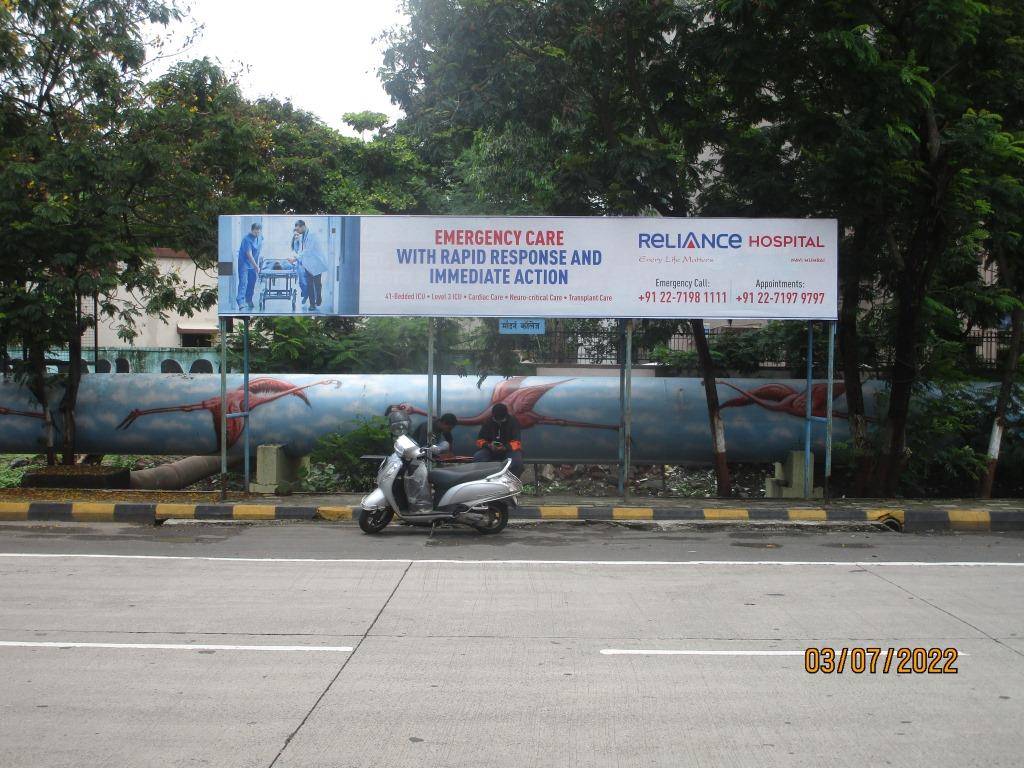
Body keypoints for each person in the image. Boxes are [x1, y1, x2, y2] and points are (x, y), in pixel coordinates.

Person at [473, 403, 523, 477]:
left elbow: (517, 442)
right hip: (490, 449)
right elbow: (479, 441)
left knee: (516, 463)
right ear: (493, 416)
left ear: (506, 415)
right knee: (478, 457)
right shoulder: (488, 421)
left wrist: (505, 447)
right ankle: (485, 480)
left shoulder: (513, 421)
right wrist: (489, 445)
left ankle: (511, 482)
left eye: (501, 419)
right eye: (496, 419)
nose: (499, 421)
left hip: (509, 450)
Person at [288, 220, 328, 311]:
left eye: (298, 229)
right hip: (308, 264)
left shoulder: (312, 235)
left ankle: (319, 297)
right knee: (309, 284)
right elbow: (302, 251)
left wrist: (295, 258)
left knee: (317, 283)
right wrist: (297, 259)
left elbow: (308, 250)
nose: (297, 231)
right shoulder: (302, 236)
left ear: (303, 226)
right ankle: (312, 304)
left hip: (316, 263)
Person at [236, 223, 262, 310]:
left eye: (258, 231)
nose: (257, 233)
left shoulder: (260, 237)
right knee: (244, 282)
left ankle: (249, 300)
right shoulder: (246, 239)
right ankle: (240, 301)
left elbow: (259, 247)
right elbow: (249, 254)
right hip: (244, 263)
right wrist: (256, 266)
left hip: (253, 263)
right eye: (255, 231)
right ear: (252, 230)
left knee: (252, 282)